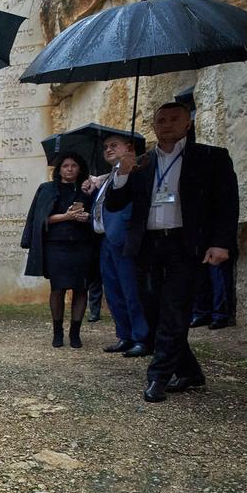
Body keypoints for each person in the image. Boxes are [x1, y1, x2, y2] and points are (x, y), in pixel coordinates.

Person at [106, 100, 238, 403]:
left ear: (187, 123)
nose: (166, 124)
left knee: (175, 310)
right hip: (147, 246)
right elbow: (115, 204)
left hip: (185, 245)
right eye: (160, 120)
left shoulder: (210, 158)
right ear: (153, 126)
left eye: (173, 119)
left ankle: (158, 376)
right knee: (151, 312)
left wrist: (222, 242)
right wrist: (122, 174)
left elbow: (226, 204)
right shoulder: (141, 162)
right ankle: (189, 371)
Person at [83, 135, 151, 356]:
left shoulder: (136, 170)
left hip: (124, 238)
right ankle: (125, 335)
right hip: (105, 241)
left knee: (131, 291)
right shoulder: (109, 176)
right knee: (113, 292)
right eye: (106, 147)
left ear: (128, 148)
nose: (108, 150)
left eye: (114, 146)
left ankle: (142, 337)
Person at [21, 153, 95, 348]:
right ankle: (58, 332)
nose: (69, 169)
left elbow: (98, 214)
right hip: (56, 246)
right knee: (58, 288)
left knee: (81, 289)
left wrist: (87, 217)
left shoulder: (87, 190)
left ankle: (75, 333)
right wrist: (66, 216)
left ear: (80, 169)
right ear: (59, 169)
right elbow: (42, 219)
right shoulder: (47, 189)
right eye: (65, 166)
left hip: (82, 245)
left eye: (74, 166)